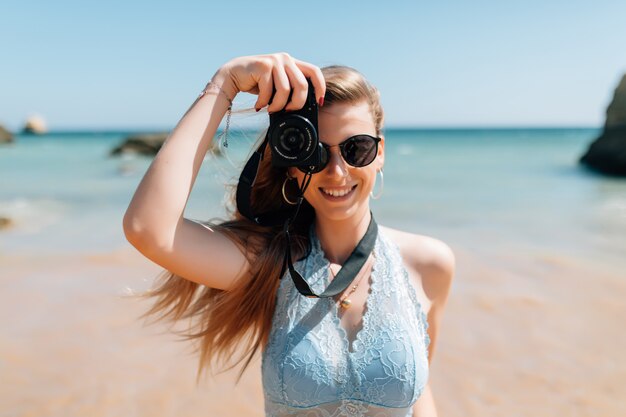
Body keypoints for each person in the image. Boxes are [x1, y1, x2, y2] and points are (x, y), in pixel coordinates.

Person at [123, 52, 455, 417]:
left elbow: (419, 394)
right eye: (314, 154)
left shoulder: (430, 265)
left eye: (356, 149)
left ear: (380, 154)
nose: (337, 172)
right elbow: (148, 229)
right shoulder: (270, 264)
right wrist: (226, 82)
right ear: (291, 166)